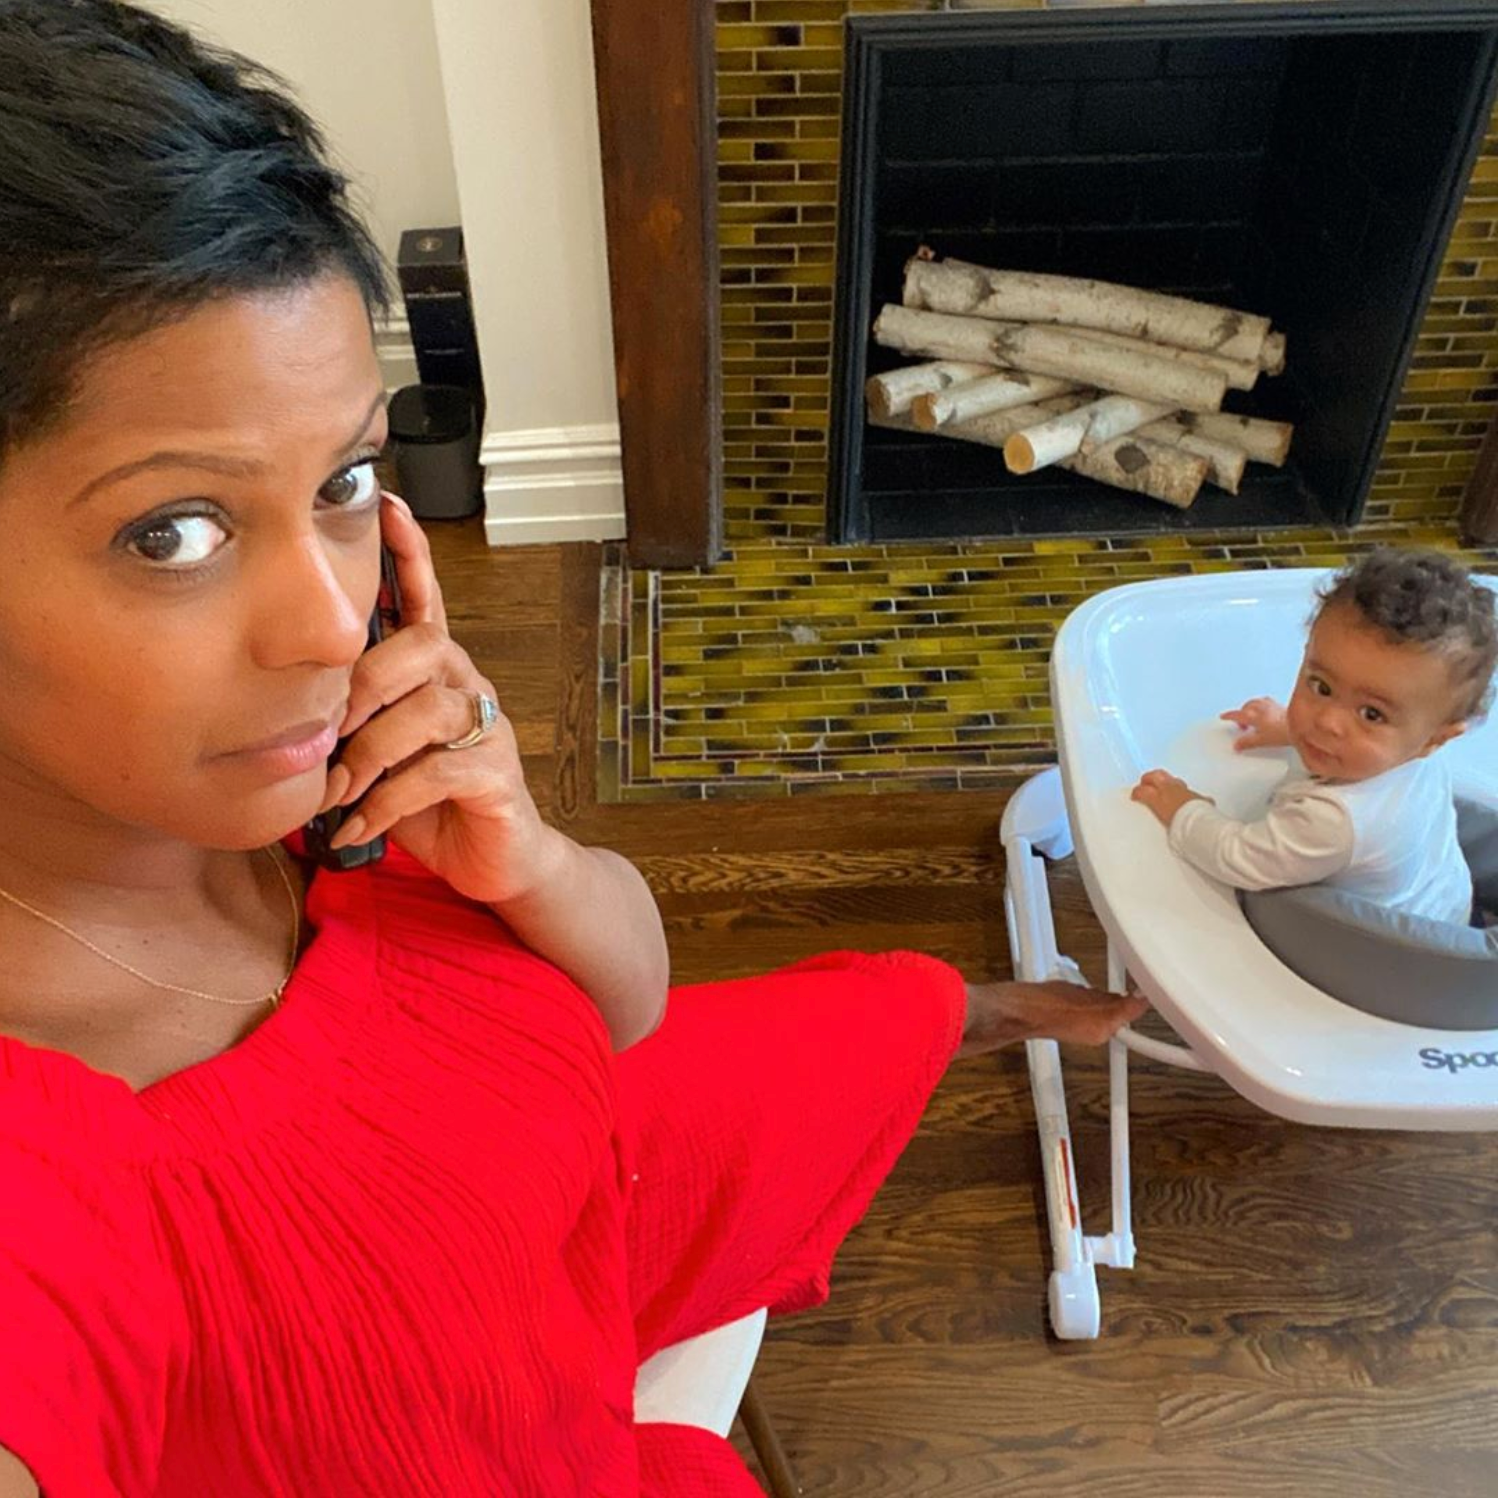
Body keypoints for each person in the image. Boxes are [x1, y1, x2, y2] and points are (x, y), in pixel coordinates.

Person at [0, 4, 1145, 1495]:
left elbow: (628, 1006)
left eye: (344, 481)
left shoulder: (338, 782)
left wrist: (522, 848)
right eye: (173, 532)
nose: (331, 622)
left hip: (570, 1174)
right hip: (531, 1394)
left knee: (854, 1018)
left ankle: (967, 1013)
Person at [1133, 549, 1497, 923]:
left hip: (1380, 950)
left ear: (1435, 739)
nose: (1326, 722)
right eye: (1321, 686)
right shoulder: (1413, 746)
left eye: (1371, 714)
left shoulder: (1331, 822)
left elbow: (1236, 857)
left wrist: (1184, 809)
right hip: (1447, 900)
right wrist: (1287, 728)